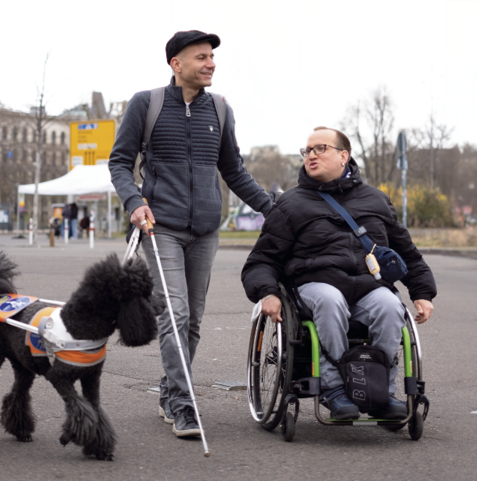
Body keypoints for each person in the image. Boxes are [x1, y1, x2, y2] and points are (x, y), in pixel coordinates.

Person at [108, 30, 273, 438]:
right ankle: (184, 405)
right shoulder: (146, 104)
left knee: (193, 320)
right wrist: (134, 202)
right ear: (176, 64)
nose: (210, 63)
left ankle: (169, 392)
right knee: (175, 313)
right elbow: (119, 161)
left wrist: (275, 208)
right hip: (159, 226)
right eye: (201, 57)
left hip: (204, 231)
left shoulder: (219, 109)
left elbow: (233, 170)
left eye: (212, 57)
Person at [241, 127, 436, 420]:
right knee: (330, 300)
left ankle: (380, 390)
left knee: (390, 305)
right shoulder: (291, 204)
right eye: (307, 151)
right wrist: (267, 292)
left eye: (320, 148)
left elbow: (407, 252)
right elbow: (262, 259)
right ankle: (334, 389)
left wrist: (422, 293)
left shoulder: (377, 200)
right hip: (315, 285)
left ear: (343, 156)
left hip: (368, 287)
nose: (311, 155)